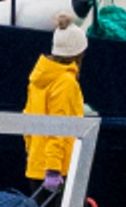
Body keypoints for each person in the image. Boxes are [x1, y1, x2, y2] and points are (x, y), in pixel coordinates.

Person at [22, 15, 90, 188]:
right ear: (79, 53)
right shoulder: (66, 82)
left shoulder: (38, 78)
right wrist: (53, 169)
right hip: (59, 170)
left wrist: (33, 154)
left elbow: (27, 122)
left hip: (36, 166)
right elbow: (59, 128)